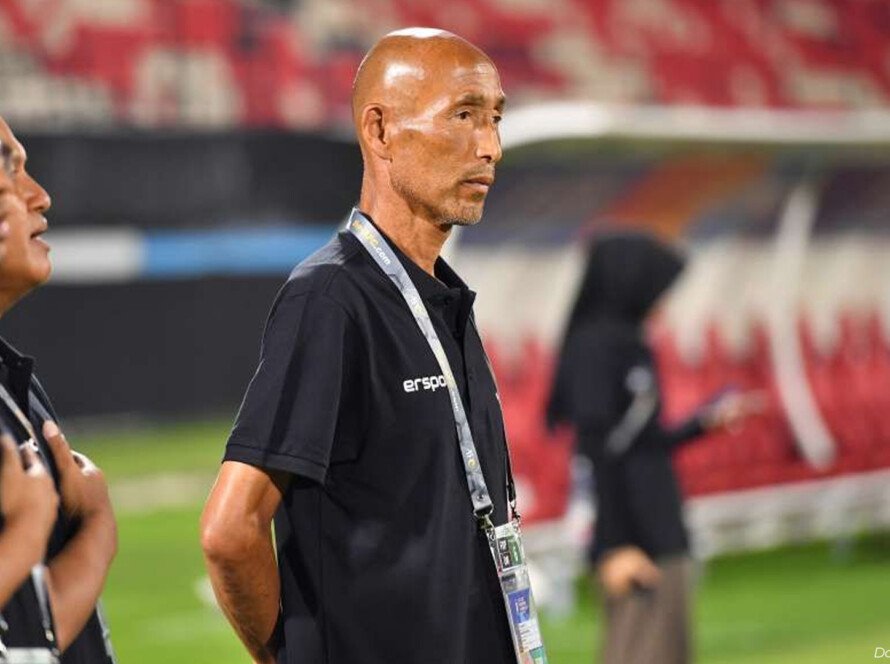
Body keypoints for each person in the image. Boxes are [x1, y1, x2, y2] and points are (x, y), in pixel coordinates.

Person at [201, 28, 516, 664]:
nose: (490, 147)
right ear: (380, 131)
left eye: (495, 119)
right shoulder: (331, 298)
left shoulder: (443, 300)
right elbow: (231, 531)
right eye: (463, 116)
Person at [547, 234, 757, 664]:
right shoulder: (594, 348)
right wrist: (611, 545)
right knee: (638, 651)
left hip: (659, 524)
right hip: (633, 535)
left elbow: (640, 441)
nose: (663, 301)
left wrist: (703, 423)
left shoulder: (629, 342)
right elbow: (594, 453)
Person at [0, 116, 117, 663]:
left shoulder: (13, 378)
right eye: (8, 172)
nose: (39, 196)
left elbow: (29, 628)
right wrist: (94, 529)